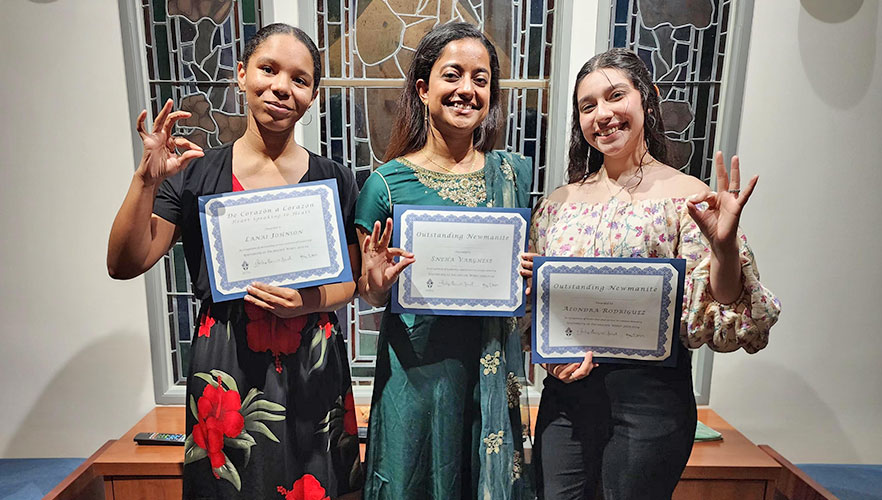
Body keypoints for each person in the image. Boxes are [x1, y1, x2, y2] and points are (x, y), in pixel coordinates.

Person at [107, 23, 363, 500]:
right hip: (226, 366)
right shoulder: (196, 174)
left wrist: (306, 304)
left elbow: (351, 282)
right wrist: (145, 180)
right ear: (241, 74)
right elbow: (125, 263)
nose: (281, 87)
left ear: (313, 97)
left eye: (300, 79)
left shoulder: (335, 179)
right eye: (268, 69)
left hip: (314, 359)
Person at [520, 48, 781, 500]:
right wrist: (548, 351)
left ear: (647, 99)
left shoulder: (689, 197)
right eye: (587, 106)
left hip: (651, 402)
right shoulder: (556, 204)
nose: (602, 114)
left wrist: (723, 250)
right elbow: (538, 314)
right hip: (565, 399)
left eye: (615, 95)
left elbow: (720, 315)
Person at [353, 22, 532, 500]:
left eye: (480, 79)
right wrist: (375, 283)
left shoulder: (511, 173)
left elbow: (521, 277)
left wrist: (528, 278)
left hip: (487, 370)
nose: (466, 90)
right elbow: (368, 290)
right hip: (417, 374)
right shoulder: (386, 185)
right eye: (452, 75)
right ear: (423, 88)